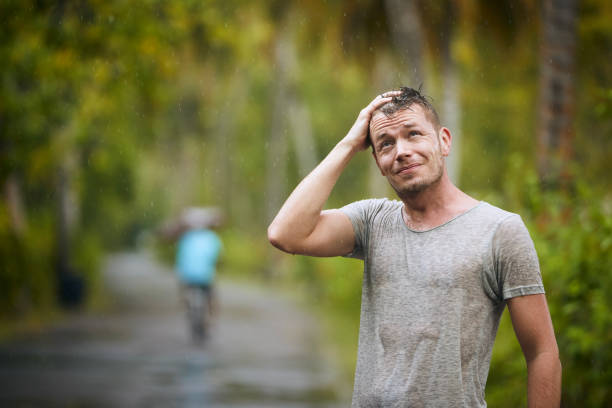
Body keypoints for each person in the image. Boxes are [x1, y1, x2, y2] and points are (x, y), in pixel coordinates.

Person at [267, 87, 561, 407]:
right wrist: (350, 143)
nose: (402, 151)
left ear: (444, 141)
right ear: (379, 163)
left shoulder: (500, 230)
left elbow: (542, 353)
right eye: (386, 144)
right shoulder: (373, 221)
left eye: (414, 134)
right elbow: (286, 234)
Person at [174, 208, 223, 342]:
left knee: (185, 294)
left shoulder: (186, 238)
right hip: (205, 276)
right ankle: (212, 320)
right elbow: (217, 258)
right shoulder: (212, 238)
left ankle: (185, 307)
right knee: (212, 298)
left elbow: (180, 258)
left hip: (188, 276)